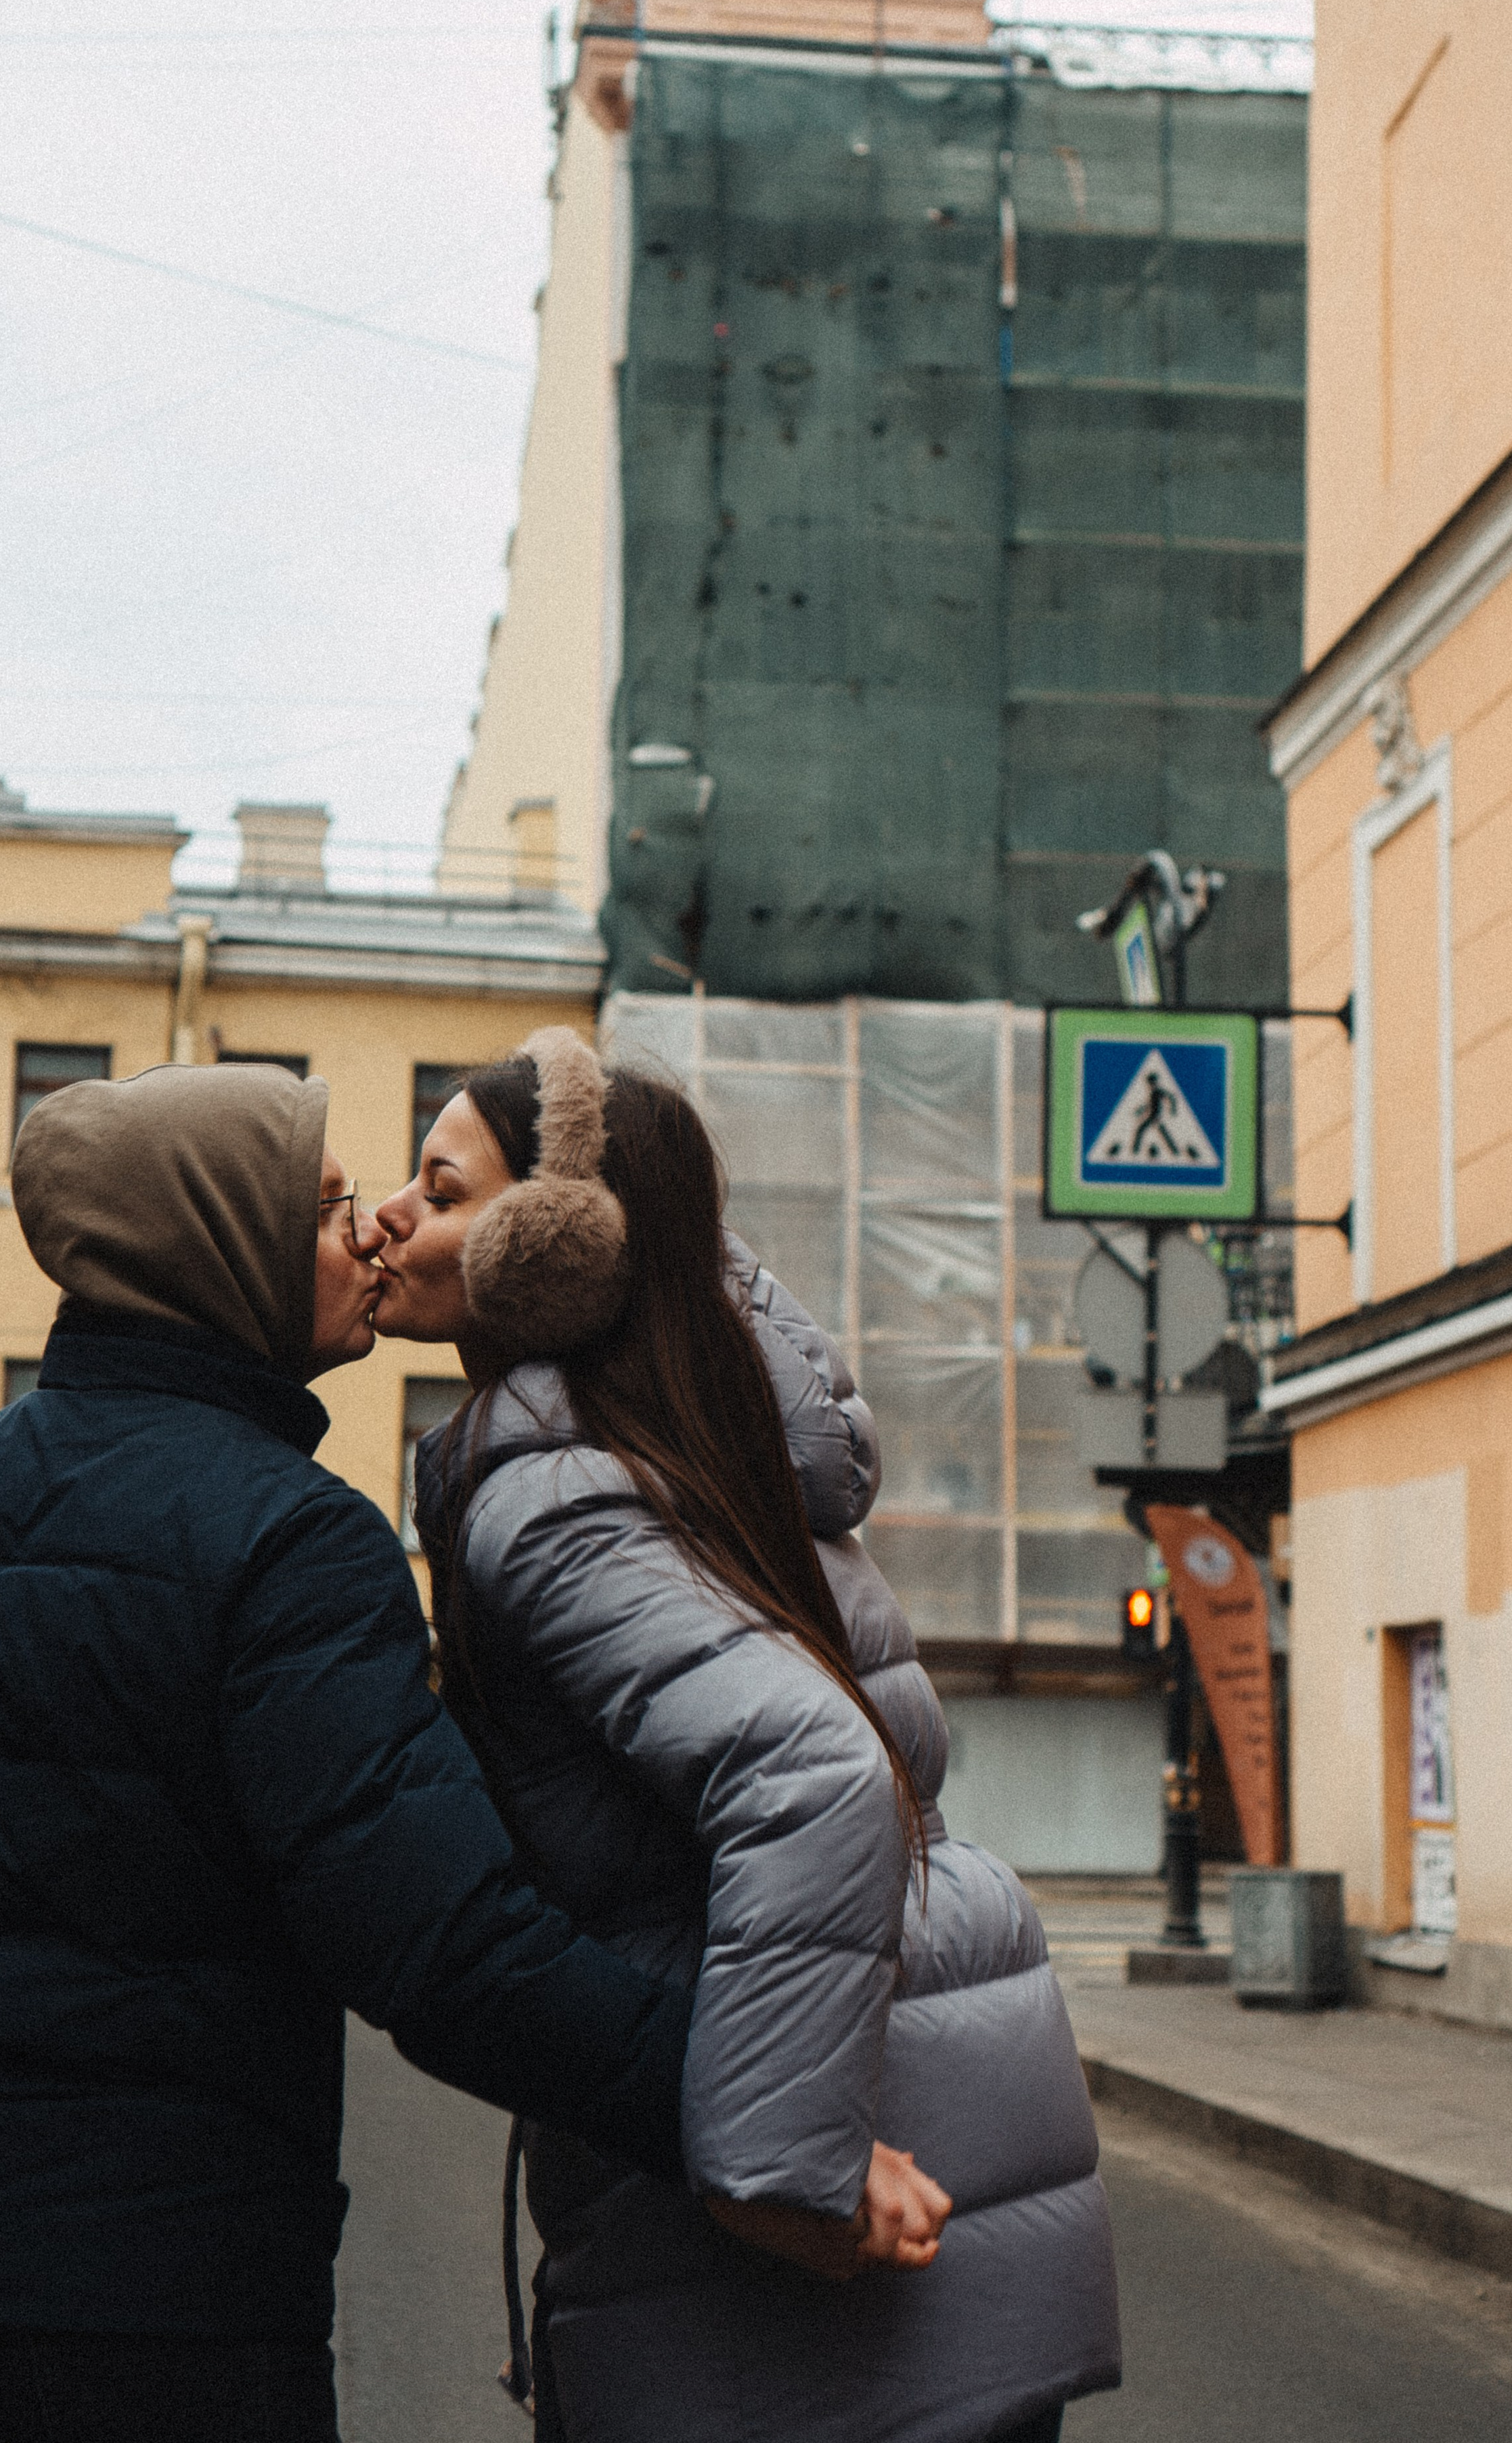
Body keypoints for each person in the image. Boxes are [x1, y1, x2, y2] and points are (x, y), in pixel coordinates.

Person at [0, 1062, 709, 2443]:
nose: (370, 1235)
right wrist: (746, 2111)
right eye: (331, 1207)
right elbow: (443, 1947)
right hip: (150, 2322)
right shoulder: (287, 1544)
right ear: (220, 1253)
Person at [373, 1027, 1124, 2443]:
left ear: (556, 1245)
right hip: (933, 2112)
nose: (396, 1217)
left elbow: (812, 1774)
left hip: (813, 2198)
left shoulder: (554, 1495)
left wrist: (784, 2179)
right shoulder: (702, 1458)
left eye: (443, 1186)